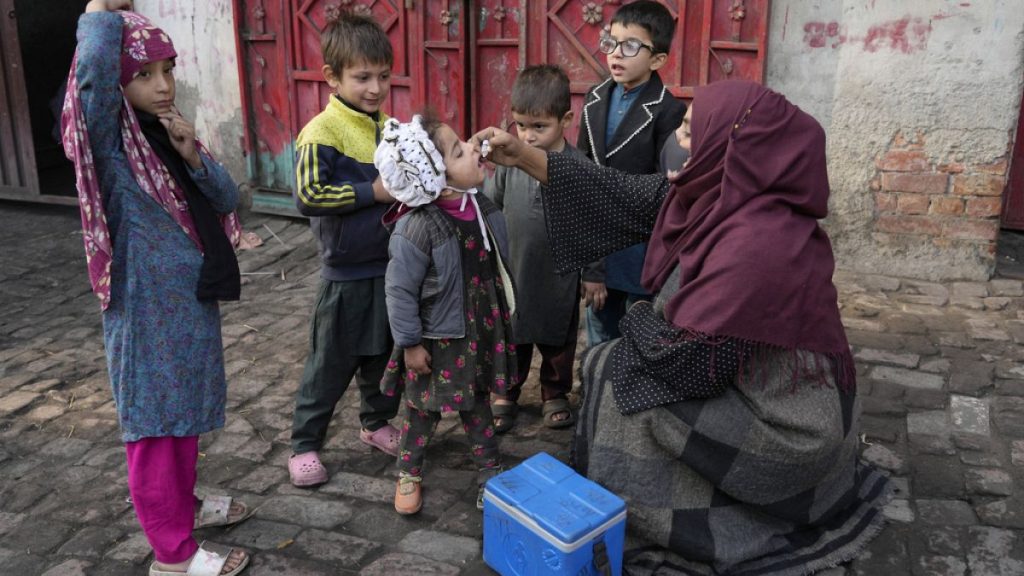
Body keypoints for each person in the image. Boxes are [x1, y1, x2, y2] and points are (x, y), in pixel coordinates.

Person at [474, 80, 893, 575]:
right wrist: (522, 155)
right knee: (612, 363)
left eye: (691, 130)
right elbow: (620, 192)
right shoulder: (722, 195)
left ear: (732, 143)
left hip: (785, 425)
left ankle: (655, 510)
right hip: (733, 376)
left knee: (619, 378)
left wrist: (637, 318)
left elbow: (687, 366)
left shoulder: (760, 242)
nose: (678, 138)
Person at [62, 1, 251, 574]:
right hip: (145, 312)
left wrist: (193, 156)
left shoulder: (163, 134)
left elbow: (226, 199)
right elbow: (92, 84)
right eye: (143, 74)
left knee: (183, 416)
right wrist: (98, 12)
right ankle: (172, 555)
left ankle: (182, 506)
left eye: (167, 70)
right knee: (153, 428)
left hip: (187, 307)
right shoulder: (111, 149)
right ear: (119, 83)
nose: (163, 85)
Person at [375, 114, 515, 515]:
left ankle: (489, 471)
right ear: (436, 177)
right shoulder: (417, 228)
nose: (471, 147)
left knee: (477, 404)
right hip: (437, 339)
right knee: (422, 409)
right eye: (458, 151)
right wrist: (410, 344)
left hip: (478, 329)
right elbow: (399, 291)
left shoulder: (481, 207)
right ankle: (408, 471)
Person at [287, 11, 402, 488]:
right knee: (329, 364)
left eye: (383, 76)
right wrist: (370, 192)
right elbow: (308, 196)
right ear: (332, 77)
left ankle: (376, 423)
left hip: (390, 269)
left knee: (384, 355)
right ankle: (304, 444)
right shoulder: (321, 132)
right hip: (345, 275)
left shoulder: (390, 128)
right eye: (362, 77)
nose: (375, 88)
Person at [577, 0, 686, 349]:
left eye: (631, 46)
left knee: (640, 337)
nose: (615, 53)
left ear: (657, 60)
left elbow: (666, 190)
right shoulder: (594, 98)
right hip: (597, 243)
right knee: (599, 333)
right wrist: (591, 265)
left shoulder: (668, 110)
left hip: (640, 248)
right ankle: (597, 379)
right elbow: (582, 173)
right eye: (611, 42)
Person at [483, 65, 584, 433]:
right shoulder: (510, 162)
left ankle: (554, 392)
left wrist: (595, 274)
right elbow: (491, 206)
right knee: (513, 335)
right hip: (515, 270)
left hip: (560, 275)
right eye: (521, 126)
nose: (527, 135)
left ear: (566, 120)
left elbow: (594, 224)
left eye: (539, 126)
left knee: (559, 337)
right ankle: (506, 393)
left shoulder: (579, 167)